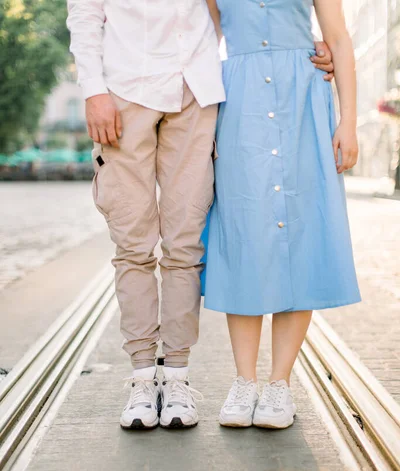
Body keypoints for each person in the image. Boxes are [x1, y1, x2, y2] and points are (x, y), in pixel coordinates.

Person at [67, 1, 335, 430]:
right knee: (134, 244)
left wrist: (301, 44)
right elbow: (83, 17)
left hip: (196, 95)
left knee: (186, 245)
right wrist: (93, 90)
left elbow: (234, 12)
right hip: (123, 92)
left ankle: (176, 377)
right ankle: (141, 378)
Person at [204, 0, 360, 429]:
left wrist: (348, 122)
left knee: (301, 234)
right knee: (245, 238)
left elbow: (340, 39)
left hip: (304, 101)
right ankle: (244, 381)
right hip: (238, 105)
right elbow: (204, 43)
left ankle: (279, 384)